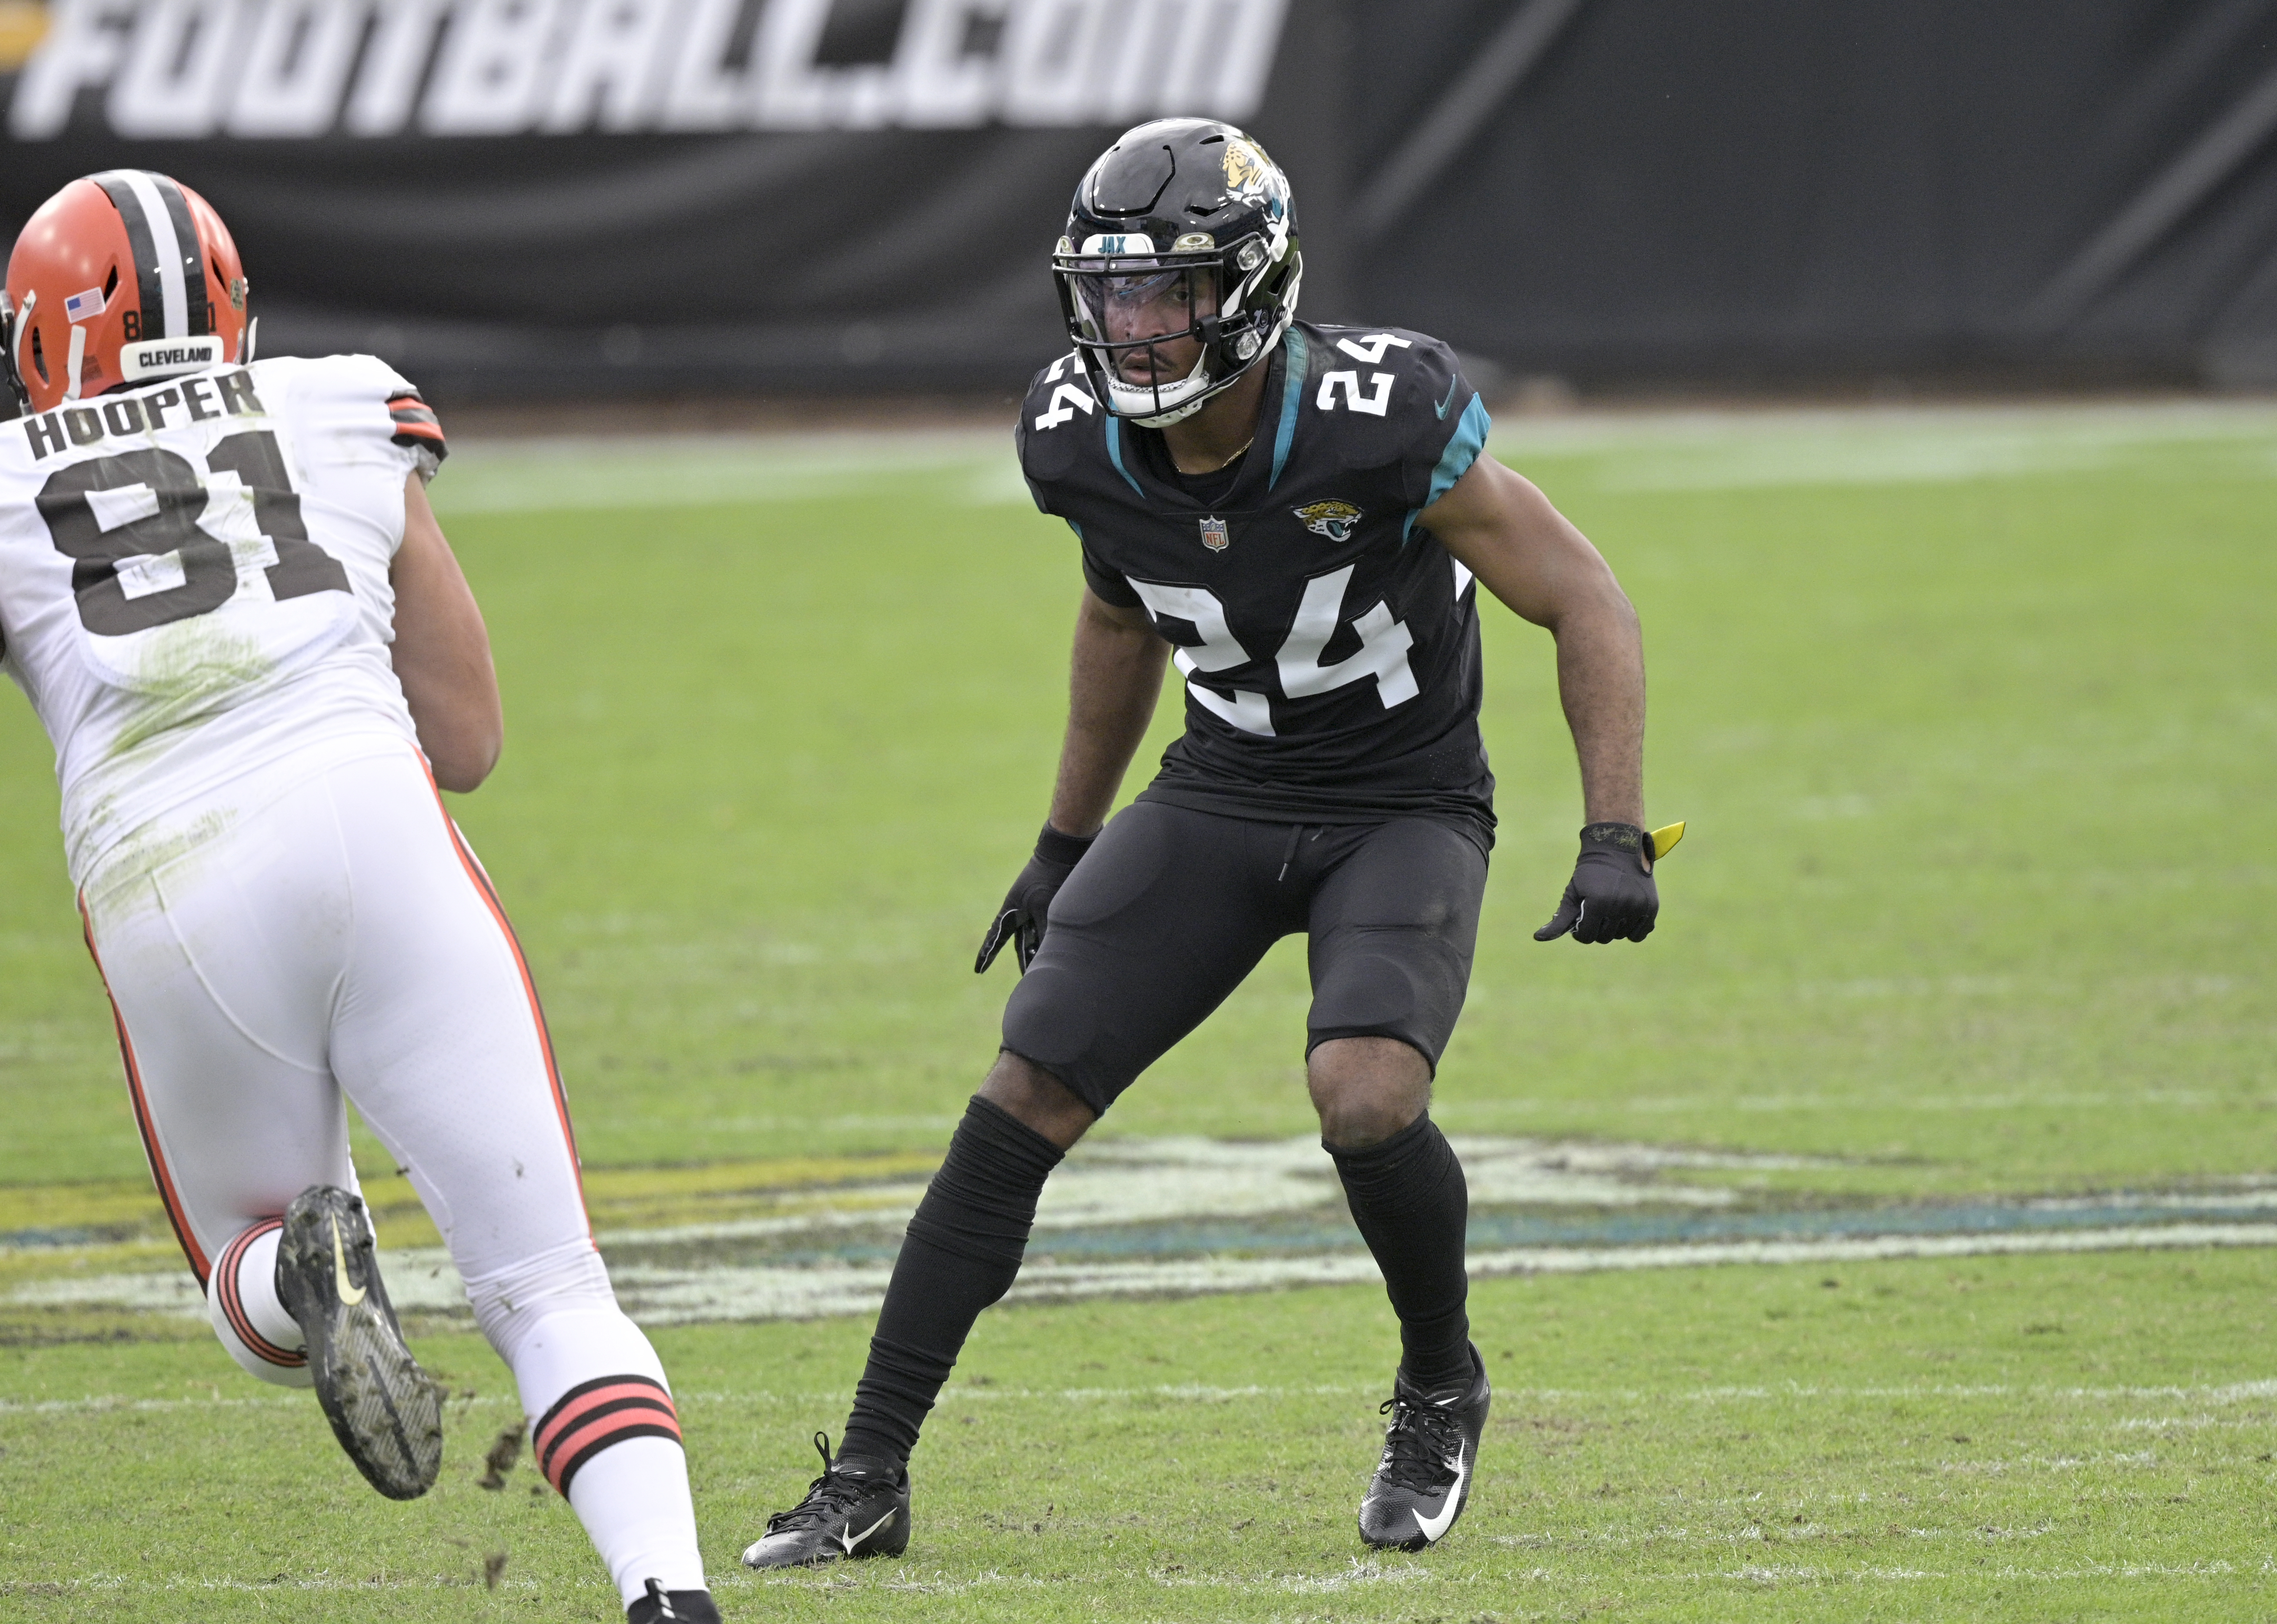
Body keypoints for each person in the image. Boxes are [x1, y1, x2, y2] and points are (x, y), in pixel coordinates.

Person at [744, 117, 1660, 1568]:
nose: (1134, 325)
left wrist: (1615, 828)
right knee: (1023, 1090)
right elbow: (1120, 612)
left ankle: (1439, 1383)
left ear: (1251, 286)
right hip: (1222, 792)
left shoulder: (1383, 409)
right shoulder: (1075, 432)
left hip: (1401, 801)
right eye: (1109, 293)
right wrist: (1062, 840)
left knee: (1361, 1093)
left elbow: (1585, 595)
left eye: (1166, 292)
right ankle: (867, 1472)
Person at [0, 171, 718, 1624]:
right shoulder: (339, 405)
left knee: (252, 1303)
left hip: (168, 880)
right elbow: (467, 740)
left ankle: (313, 1284)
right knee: (551, 1288)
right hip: (375, 825)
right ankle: (669, 1595)